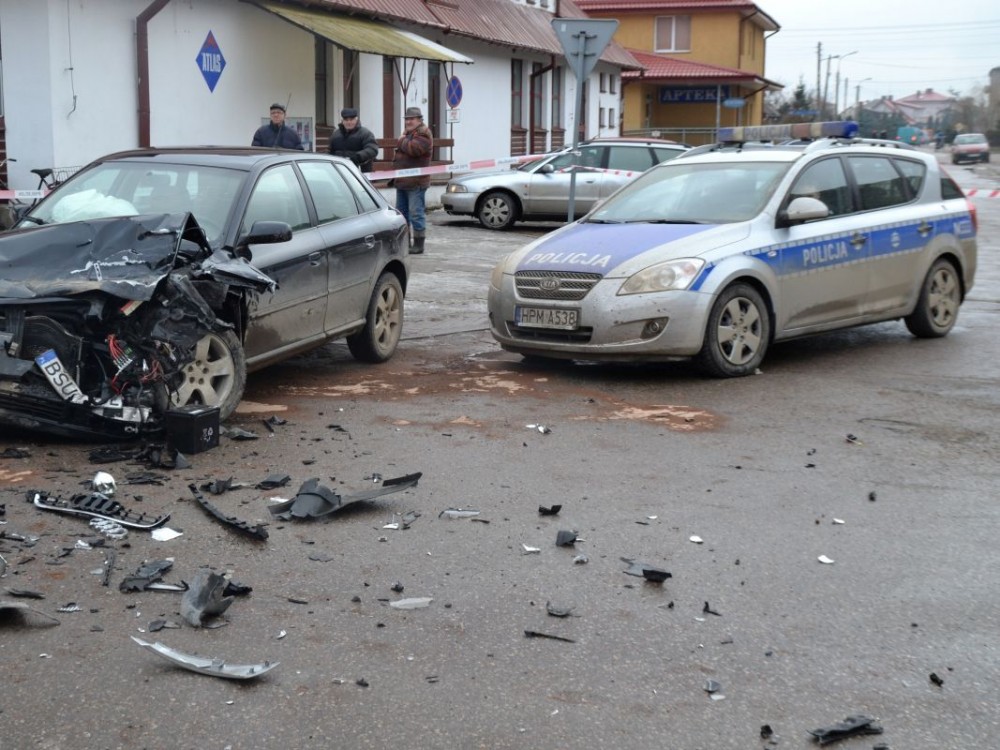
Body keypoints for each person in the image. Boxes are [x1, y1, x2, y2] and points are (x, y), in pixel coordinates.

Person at [393, 106, 433, 254]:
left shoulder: (424, 134)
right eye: (407, 119)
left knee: (416, 214)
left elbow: (414, 149)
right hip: (402, 181)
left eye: (412, 119)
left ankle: (418, 244)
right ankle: (405, 244)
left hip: (416, 182)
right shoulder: (409, 133)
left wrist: (401, 141)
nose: (408, 121)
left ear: (419, 120)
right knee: (402, 215)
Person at [328, 107, 378, 173]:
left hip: (360, 170)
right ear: (342, 121)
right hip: (339, 170)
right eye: (346, 120)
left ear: (356, 120)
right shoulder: (335, 135)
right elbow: (330, 151)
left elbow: (372, 149)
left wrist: (358, 157)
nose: (349, 122)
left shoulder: (365, 133)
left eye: (351, 120)